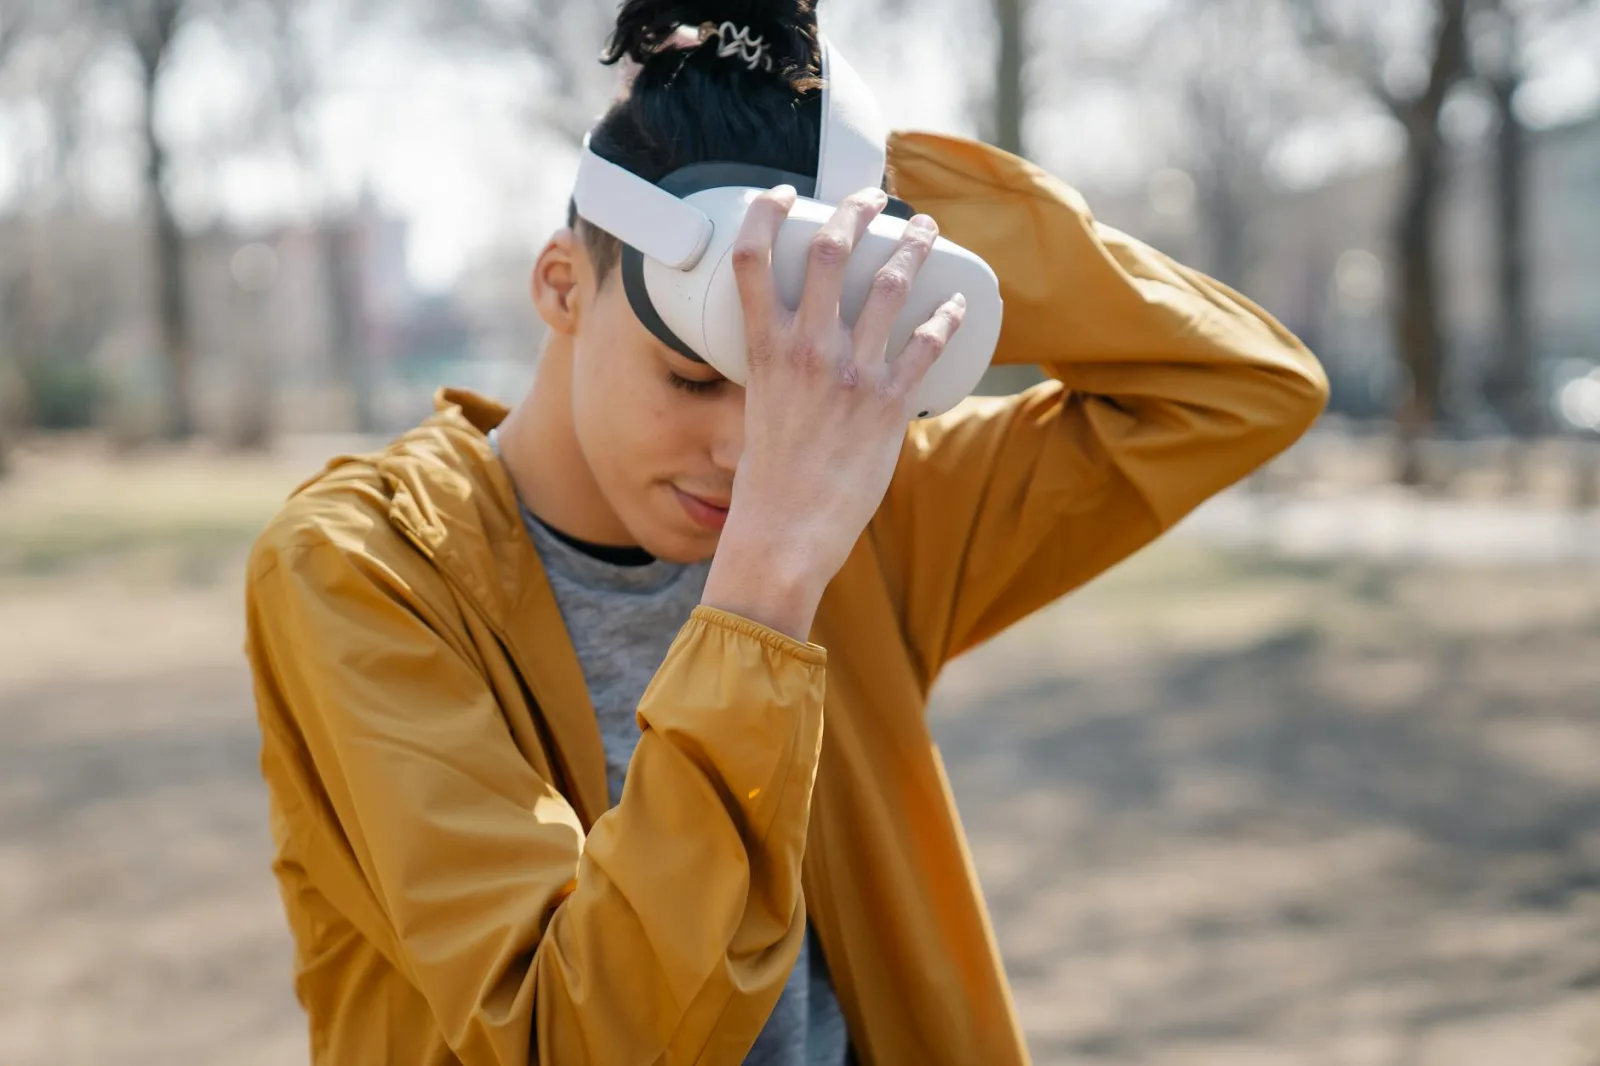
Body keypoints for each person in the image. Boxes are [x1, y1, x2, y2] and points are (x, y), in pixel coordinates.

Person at [242, 0, 1329, 1063]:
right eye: (693, 376)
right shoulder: (363, 567)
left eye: (797, 396)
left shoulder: (852, 496)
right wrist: (763, 588)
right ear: (563, 285)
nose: (750, 457)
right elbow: (571, 1035)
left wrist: (870, 202)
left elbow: (1239, 385)